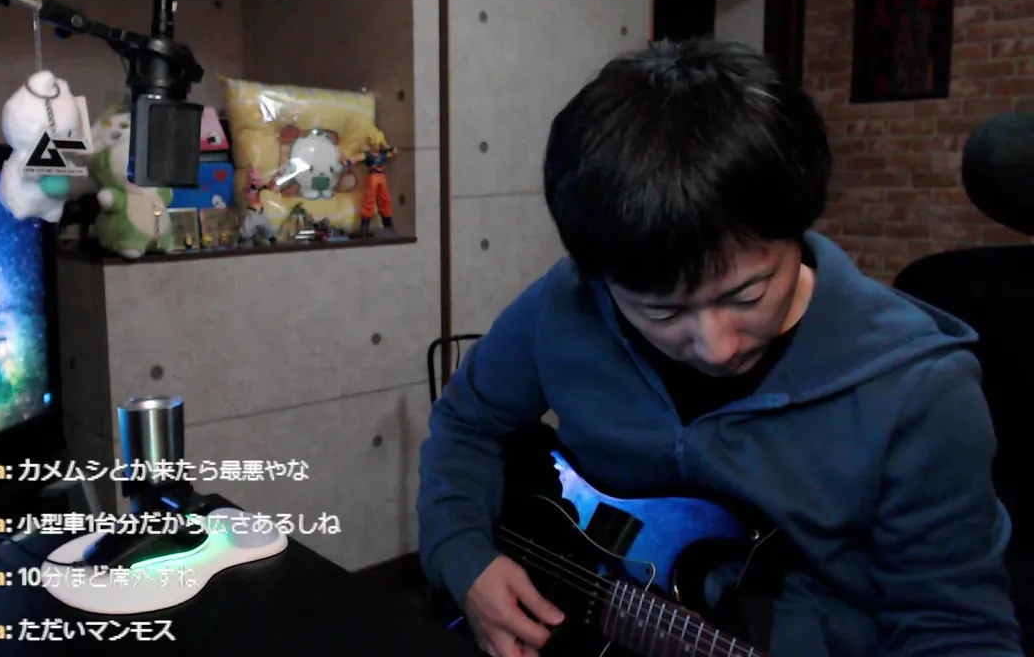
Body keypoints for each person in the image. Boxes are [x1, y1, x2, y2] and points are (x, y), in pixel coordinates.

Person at [416, 39, 1021, 657]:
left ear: (800, 227)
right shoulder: (562, 304)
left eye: (748, 294)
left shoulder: (920, 389)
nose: (716, 347)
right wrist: (462, 556)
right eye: (663, 311)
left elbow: (957, 627)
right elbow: (467, 422)